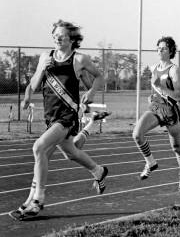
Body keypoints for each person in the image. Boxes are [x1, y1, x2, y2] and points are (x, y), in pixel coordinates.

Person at [9, 20, 108, 220]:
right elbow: (34, 85)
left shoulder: (80, 59)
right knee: (70, 153)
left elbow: (99, 78)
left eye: (61, 36)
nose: (57, 39)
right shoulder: (46, 57)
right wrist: (40, 73)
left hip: (68, 115)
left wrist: (91, 92)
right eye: (55, 36)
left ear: (71, 39)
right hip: (51, 116)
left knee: (39, 148)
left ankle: (36, 201)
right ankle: (99, 171)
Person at [132, 36, 180, 192]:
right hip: (156, 108)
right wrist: (151, 95)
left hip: (170, 110)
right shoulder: (154, 68)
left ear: (170, 51)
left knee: (176, 146)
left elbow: (179, 96)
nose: (159, 50)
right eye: (158, 48)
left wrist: (160, 86)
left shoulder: (173, 69)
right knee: (137, 134)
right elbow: (154, 88)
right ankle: (150, 162)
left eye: (163, 48)